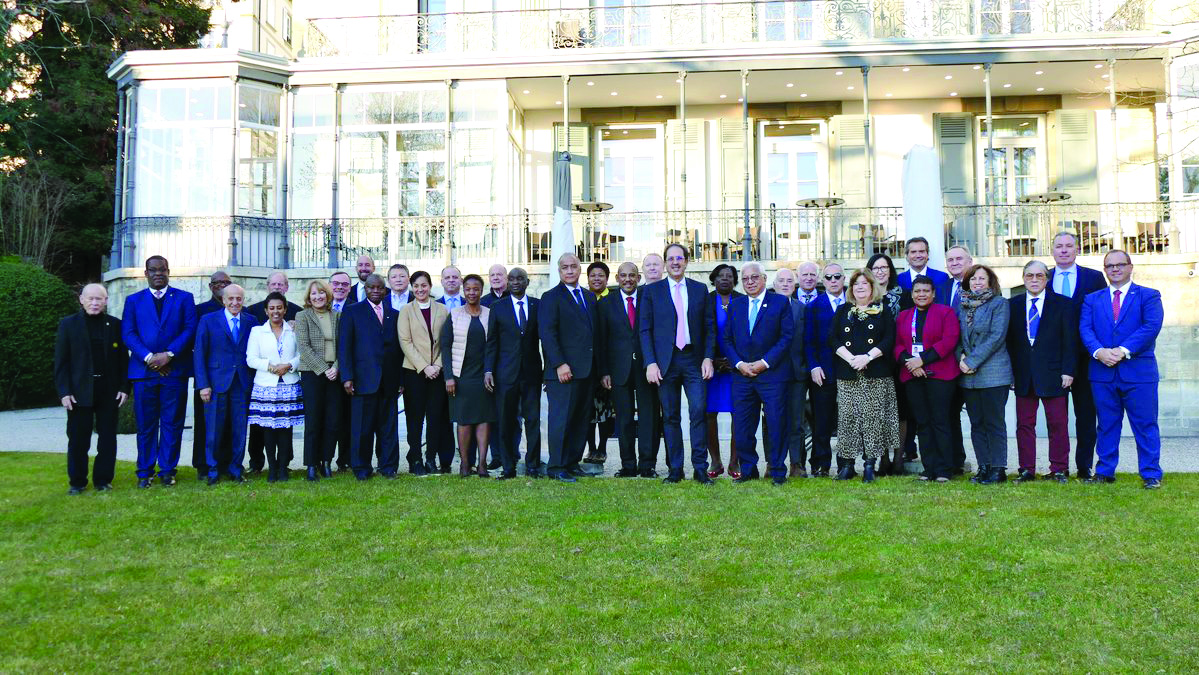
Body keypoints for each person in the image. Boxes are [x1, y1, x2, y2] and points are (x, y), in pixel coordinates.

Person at [1079, 250, 1164, 489]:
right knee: (1106, 424)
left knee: (1145, 424)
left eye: (1119, 265)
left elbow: (1150, 327)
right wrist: (1099, 352)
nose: (1115, 269)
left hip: (1139, 373)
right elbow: (1086, 329)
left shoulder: (1149, 296)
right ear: (1104, 270)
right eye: (1109, 266)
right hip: (1102, 372)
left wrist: (1123, 350)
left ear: (1130, 267)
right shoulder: (1092, 299)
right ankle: (1105, 472)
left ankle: (1150, 474)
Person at [639, 243, 715, 484]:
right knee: (670, 416)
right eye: (670, 258)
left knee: (698, 413)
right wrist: (650, 362)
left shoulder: (700, 289)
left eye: (679, 258)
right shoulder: (652, 292)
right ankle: (675, 469)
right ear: (664, 263)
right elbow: (645, 330)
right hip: (665, 362)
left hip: (694, 360)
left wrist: (708, 357)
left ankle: (700, 469)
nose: (675, 262)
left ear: (686, 261)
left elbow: (709, 328)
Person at [122, 255, 197, 488]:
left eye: (162, 270)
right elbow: (128, 333)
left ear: (168, 271)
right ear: (145, 273)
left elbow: (189, 329)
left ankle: (167, 470)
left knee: (172, 422)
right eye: (153, 270)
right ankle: (144, 471)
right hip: (144, 373)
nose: (158, 274)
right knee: (146, 424)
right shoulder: (133, 301)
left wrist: (169, 355)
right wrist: (149, 357)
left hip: (174, 371)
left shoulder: (184, 299)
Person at [721, 262, 793, 485]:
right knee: (742, 427)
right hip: (742, 376)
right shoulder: (736, 305)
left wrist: (764, 363)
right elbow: (727, 339)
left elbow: (786, 337)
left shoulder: (780, 302)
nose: (750, 282)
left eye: (754, 277)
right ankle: (749, 470)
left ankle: (778, 471)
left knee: (776, 424)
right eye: (745, 279)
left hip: (772, 376)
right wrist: (740, 364)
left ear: (764, 278)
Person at [55, 283, 130, 494]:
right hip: (79, 393)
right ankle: (77, 482)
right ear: (81, 299)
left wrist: (124, 387)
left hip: (108, 391)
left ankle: (103, 480)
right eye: (91, 299)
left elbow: (124, 361)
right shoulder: (68, 325)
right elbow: (61, 362)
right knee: (78, 440)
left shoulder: (115, 325)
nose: (95, 303)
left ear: (106, 301)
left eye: (99, 299)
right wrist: (64, 392)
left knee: (107, 439)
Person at [1007, 261, 1076, 483]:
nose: (1034, 280)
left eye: (1039, 275)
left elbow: (1070, 341)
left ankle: (1059, 469)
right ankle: (1026, 468)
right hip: (1023, 375)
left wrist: (1068, 370)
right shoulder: (1013, 305)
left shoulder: (1063, 304)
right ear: (1023, 278)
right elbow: (1009, 343)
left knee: (1057, 423)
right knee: (1024, 424)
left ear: (1047, 279)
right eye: (1029, 276)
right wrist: (1011, 374)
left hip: (1055, 374)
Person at [1047, 231, 1107, 479]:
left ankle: (1084, 466)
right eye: (1058, 246)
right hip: (1053, 359)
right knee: (1056, 416)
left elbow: (1103, 313)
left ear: (1077, 249)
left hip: (1086, 357)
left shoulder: (1093, 278)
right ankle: (1058, 467)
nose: (1063, 250)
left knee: (1085, 414)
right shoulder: (1043, 276)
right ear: (1052, 250)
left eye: (1068, 246)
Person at [829, 269, 898, 482]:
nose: (860, 287)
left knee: (872, 420)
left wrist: (867, 357)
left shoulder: (882, 310)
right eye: (856, 284)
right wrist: (851, 359)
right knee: (848, 419)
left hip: (875, 373)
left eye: (864, 284)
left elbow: (889, 339)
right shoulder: (843, 310)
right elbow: (833, 338)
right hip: (848, 373)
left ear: (872, 287)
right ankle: (848, 465)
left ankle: (870, 464)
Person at [894, 276, 960, 482]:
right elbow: (897, 346)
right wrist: (911, 364)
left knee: (940, 421)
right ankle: (928, 468)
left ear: (933, 293)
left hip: (941, 375)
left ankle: (944, 469)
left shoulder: (945, 312)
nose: (921, 295)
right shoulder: (904, 316)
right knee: (922, 422)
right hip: (913, 375)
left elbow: (949, 341)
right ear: (912, 294)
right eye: (917, 291)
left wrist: (921, 360)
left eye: (925, 291)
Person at [540, 253, 598, 482]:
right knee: (561, 420)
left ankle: (572, 462)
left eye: (574, 266)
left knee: (580, 419)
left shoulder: (588, 297)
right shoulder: (550, 297)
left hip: (586, 371)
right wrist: (559, 364)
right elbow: (548, 334)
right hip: (563, 372)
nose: (570, 270)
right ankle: (556, 466)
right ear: (559, 270)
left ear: (580, 269)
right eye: (565, 267)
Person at [339, 274, 402, 480]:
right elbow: (345, 347)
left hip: (389, 379)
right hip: (362, 379)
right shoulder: (352, 312)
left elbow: (399, 349)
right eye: (371, 287)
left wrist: (400, 379)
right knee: (362, 427)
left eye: (380, 288)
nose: (376, 291)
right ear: (364, 289)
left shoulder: (394, 314)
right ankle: (361, 467)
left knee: (388, 427)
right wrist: (347, 377)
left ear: (386, 291)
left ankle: (388, 466)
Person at [596, 262, 656, 478]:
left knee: (649, 417)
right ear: (617, 278)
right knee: (624, 418)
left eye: (632, 275)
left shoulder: (649, 299)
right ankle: (628, 465)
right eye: (623, 276)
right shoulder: (606, 303)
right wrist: (604, 371)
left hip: (645, 366)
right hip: (617, 370)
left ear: (638, 278)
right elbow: (601, 340)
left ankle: (647, 465)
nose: (628, 279)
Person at [193, 283, 256, 485]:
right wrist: (203, 384)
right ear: (223, 299)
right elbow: (199, 354)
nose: (235, 302)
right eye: (231, 299)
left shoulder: (251, 321)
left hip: (242, 383)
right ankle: (212, 469)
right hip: (215, 383)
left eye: (239, 299)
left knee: (239, 429)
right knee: (213, 430)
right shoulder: (208, 320)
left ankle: (236, 468)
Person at [484, 267, 543, 479]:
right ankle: (508, 466)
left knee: (533, 420)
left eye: (520, 279)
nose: (516, 282)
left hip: (532, 374)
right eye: (512, 279)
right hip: (505, 374)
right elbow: (491, 342)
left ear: (527, 282)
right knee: (506, 420)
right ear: (508, 282)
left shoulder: (538, 305)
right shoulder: (497, 307)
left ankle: (533, 466)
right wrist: (488, 369)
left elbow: (545, 338)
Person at [956, 264, 1012, 485]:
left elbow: (996, 337)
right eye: (973, 279)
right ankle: (984, 467)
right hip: (967, 375)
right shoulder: (962, 306)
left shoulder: (999, 304)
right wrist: (961, 358)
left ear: (990, 282)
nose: (977, 282)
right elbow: (956, 336)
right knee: (976, 423)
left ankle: (998, 469)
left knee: (994, 422)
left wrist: (971, 361)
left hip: (993, 373)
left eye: (982, 279)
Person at [244, 272, 302, 474]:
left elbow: (302, 354)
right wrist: (271, 366)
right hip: (266, 386)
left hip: (288, 383)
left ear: (285, 310)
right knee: (267, 429)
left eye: (279, 308)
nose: (275, 312)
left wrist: (289, 365)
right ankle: (271, 467)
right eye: (272, 308)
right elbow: (251, 359)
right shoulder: (257, 331)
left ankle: (283, 466)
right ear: (266, 310)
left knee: (285, 428)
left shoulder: (294, 329)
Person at [398, 271, 452, 475]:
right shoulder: (406, 310)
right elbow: (405, 342)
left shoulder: (443, 309)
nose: (420, 289)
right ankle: (416, 459)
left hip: (437, 372)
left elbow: (447, 341)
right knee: (415, 418)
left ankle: (431, 458)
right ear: (412, 288)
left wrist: (437, 365)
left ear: (430, 286)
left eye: (424, 285)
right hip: (415, 372)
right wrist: (424, 366)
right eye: (416, 286)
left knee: (435, 417)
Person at [441, 275, 495, 477]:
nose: (472, 293)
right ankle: (464, 465)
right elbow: (445, 347)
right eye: (468, 289)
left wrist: (490, 371)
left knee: (484, 419)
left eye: (476, 289)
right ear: (464, 291)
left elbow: (493, 345)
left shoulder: (490, 314)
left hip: (484, 376)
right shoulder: (454, 314)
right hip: (461, 376)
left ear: (482, 291)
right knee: (463, 420)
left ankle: (482, 465)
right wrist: (449, 377)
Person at [868, 252, 914, 474]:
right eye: (876, 268)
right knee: (879, 411)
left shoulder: (903, 296)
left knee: (900, 410)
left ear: (890, 270)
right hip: (874, 362)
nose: (880, 272)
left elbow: (908, 327)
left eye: (884, 267)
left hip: (899, 359)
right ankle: (883, 459)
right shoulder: (865, 297)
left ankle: (898, 458)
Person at [295, 280, 342, 481]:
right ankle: (311, 464)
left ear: (328, 295)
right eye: (314, 294)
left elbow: (344, 345)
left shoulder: (337, 316)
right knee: (313, 421)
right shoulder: (302, 316)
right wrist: (324, 369)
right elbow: (303, 348)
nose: (318, 297)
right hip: (312, 374)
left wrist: (336, 367)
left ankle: (326, 461)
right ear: (309, 297)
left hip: (335, 373)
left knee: (332, 422)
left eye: (321, 293)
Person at [805, 262, 847, 477]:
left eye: (837, 276)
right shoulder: (814, 305)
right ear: (823, 280)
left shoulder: (854, 302)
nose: (833, 281)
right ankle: (821, 463)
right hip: (823, 371)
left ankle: (845, 464)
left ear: (844, 278)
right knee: (822, 420)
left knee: (847, 420)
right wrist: (813, 366)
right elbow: (809, 340)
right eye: (828, 277)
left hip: (850, 371)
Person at [192, 271, 231, 480]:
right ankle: (203, 465)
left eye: (226, 282)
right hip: (208, 378)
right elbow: (197, 348)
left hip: (231, 378)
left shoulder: (238, 311)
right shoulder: (200, 312)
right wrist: (201, 382)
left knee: (227, 424)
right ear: (210, 286)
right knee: (204, 424)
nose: (222, 285)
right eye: (217, 283)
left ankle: (224, 463)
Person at [938, 245, 974, 474]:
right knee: (949, 413)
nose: (954, 263)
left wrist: (968, 355)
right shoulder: (942, 287)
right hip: (946, 361)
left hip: (973, 361)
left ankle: (990, 463)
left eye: (959, 258)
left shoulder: (981, 284)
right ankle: (954, 460)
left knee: (979, 416)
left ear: (970, 261)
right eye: (950, 260)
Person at [705, 264, 741, 478]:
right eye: (721, 276)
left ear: (735, 280)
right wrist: (712, 359)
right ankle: (715, 461)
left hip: (736, 367)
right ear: (714, 279)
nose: (725, 279)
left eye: (729, 276)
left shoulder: (741, 300)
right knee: (710, 412)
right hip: (711, 366)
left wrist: (734, 361)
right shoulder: (706, 300)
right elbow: (700, 331)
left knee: (738, 412)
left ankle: (734, 462)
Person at [584, 261, 614, 465]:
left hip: (608, 363)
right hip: (586, 364)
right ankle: (591, 448)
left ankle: (602, 447)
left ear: (607, 278)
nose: (597, 278)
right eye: (593, 275)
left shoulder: (613, 299)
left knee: (605, 409)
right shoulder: (583, 299)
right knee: (587, 410)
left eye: (601, 275)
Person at [328, 271, 354, 471]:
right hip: (325, 372)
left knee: (347, 419)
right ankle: (325, 458)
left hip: (348, 371)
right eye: (335, 283)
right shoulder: (319, 305)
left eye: (344, 284)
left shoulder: (356, 308)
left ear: (350, 287)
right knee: (329, 419)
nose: (339, 287)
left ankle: (345, 459)